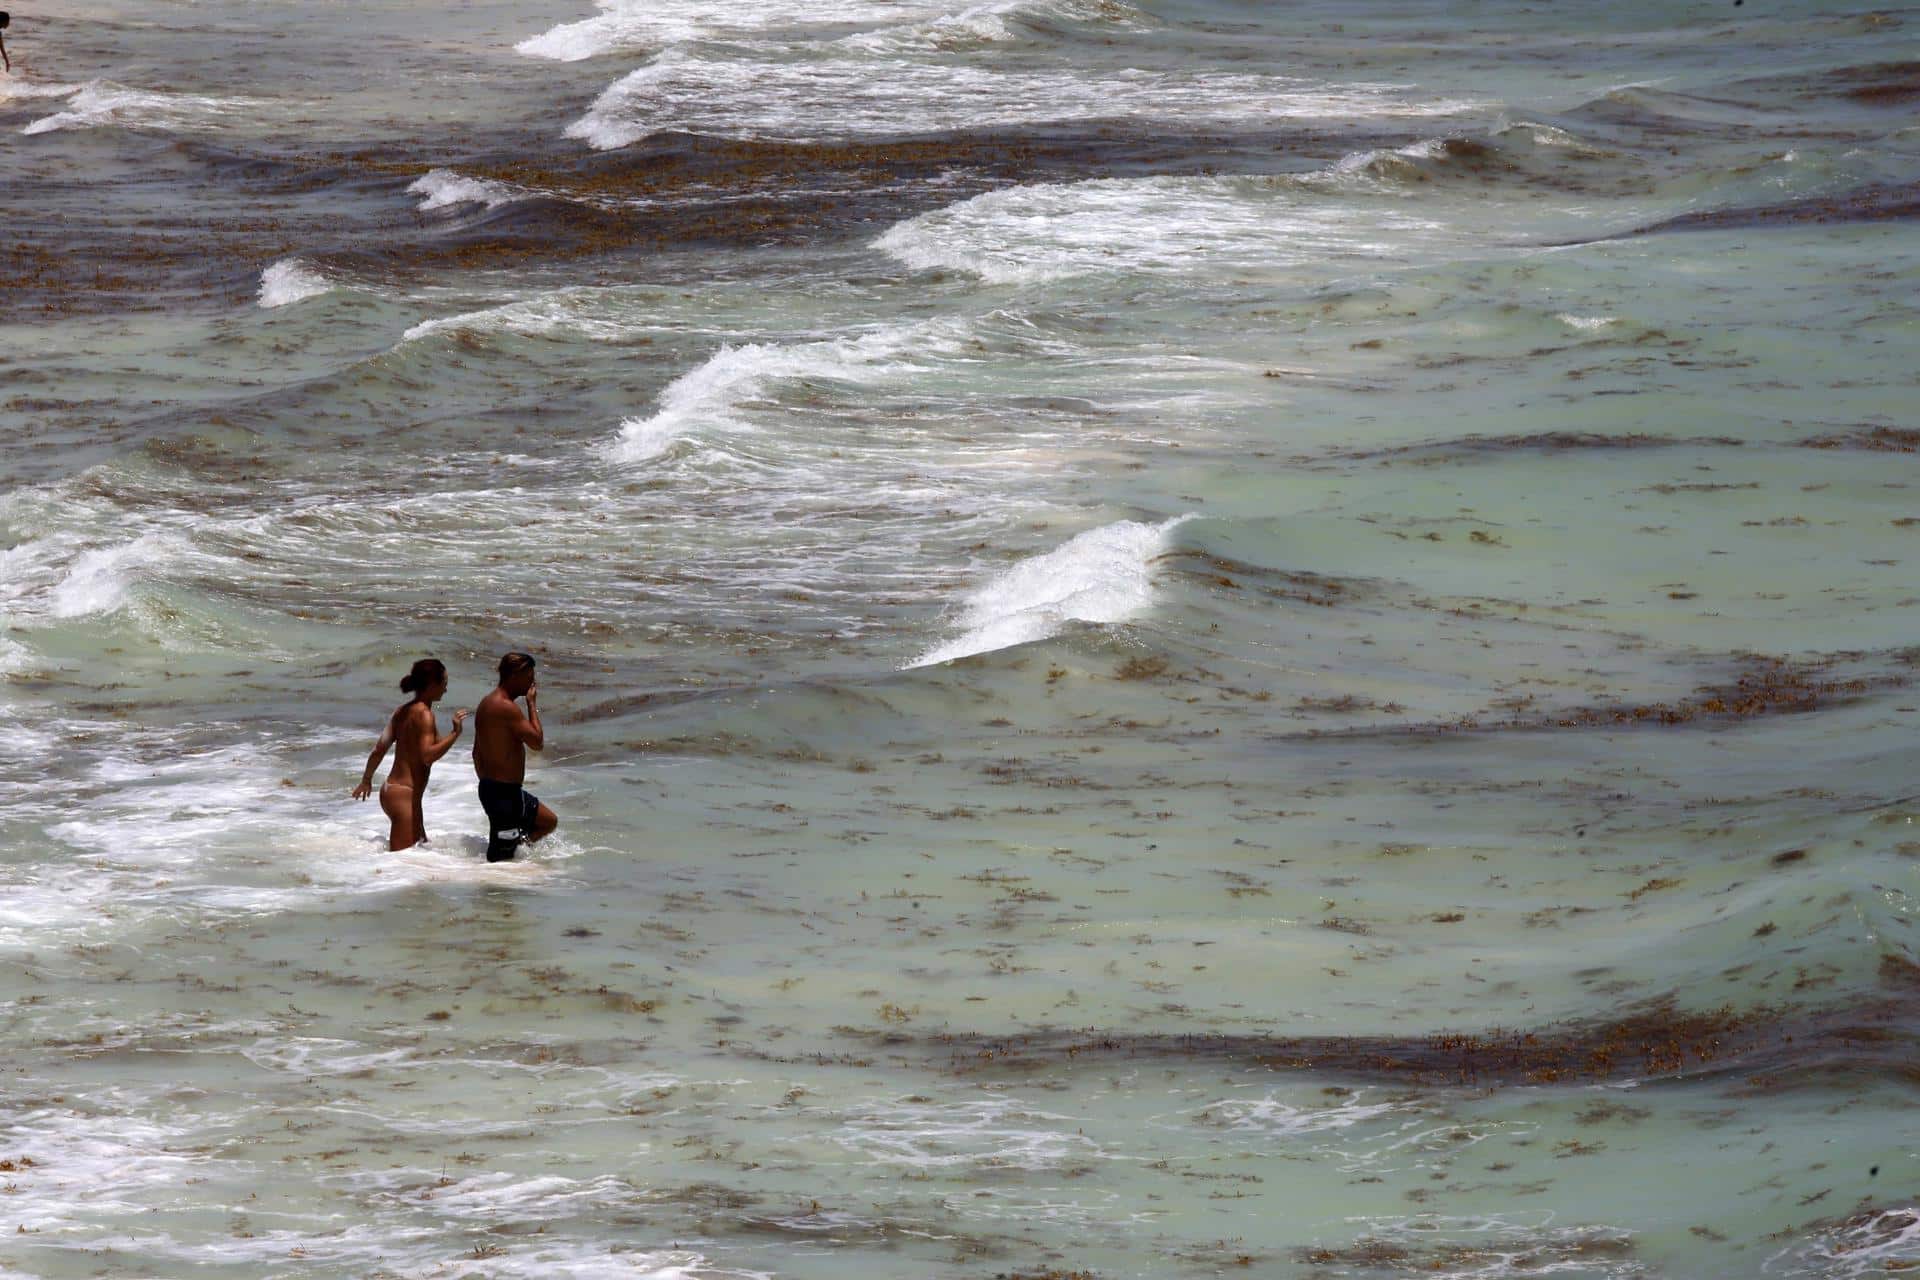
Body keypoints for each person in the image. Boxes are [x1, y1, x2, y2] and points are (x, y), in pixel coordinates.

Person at [351, 658, 469, 851]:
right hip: (404, 795)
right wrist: (456, 733)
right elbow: (427, 756)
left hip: (395, 792)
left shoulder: (403, 711)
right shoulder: (424, 715)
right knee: (403, 862)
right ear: (432, 685)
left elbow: (379, 749)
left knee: (419, 853)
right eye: (444, 684)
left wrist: (366, 779)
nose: (446, 690)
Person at [473, 651, 557, 862]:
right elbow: (537, 742)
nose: (532, 682)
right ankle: (491, 890)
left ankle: (518, 848)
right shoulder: (507, 708)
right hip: (503, 795)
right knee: (500, 860)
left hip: (497, 790)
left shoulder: (485, 703)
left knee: (548, 821)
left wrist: (489, 783)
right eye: (529, 677)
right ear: (514, 675)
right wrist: (531, 704)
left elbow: (476, 753)